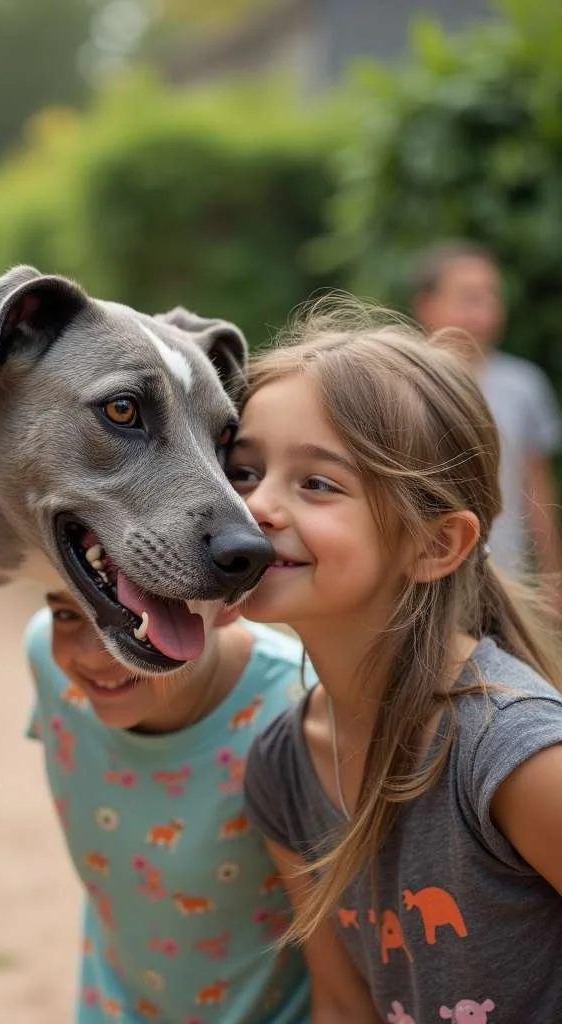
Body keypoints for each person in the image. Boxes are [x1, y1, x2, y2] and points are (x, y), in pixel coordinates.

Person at [229, 303, 562, 1022]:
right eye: (243, 470)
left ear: (436, 545)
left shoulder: (517, 754)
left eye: (316, 483)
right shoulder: (282, 766)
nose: (255, 504)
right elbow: (345, 1003)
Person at [26, 587, 311, 1023]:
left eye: (143, 619)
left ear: (230, 600)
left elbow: (343, 964)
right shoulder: (51, 664)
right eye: (69, 612)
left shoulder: (298, 714)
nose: (95, 656)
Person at [411, 240, 562, 591]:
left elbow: (537, 489)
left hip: (507, 579)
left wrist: (553, 578)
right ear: (427, 305)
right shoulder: (398, 384)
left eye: (492, 298)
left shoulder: (524, 386)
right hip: (421, 580)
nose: (485, 313)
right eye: (469, 298)